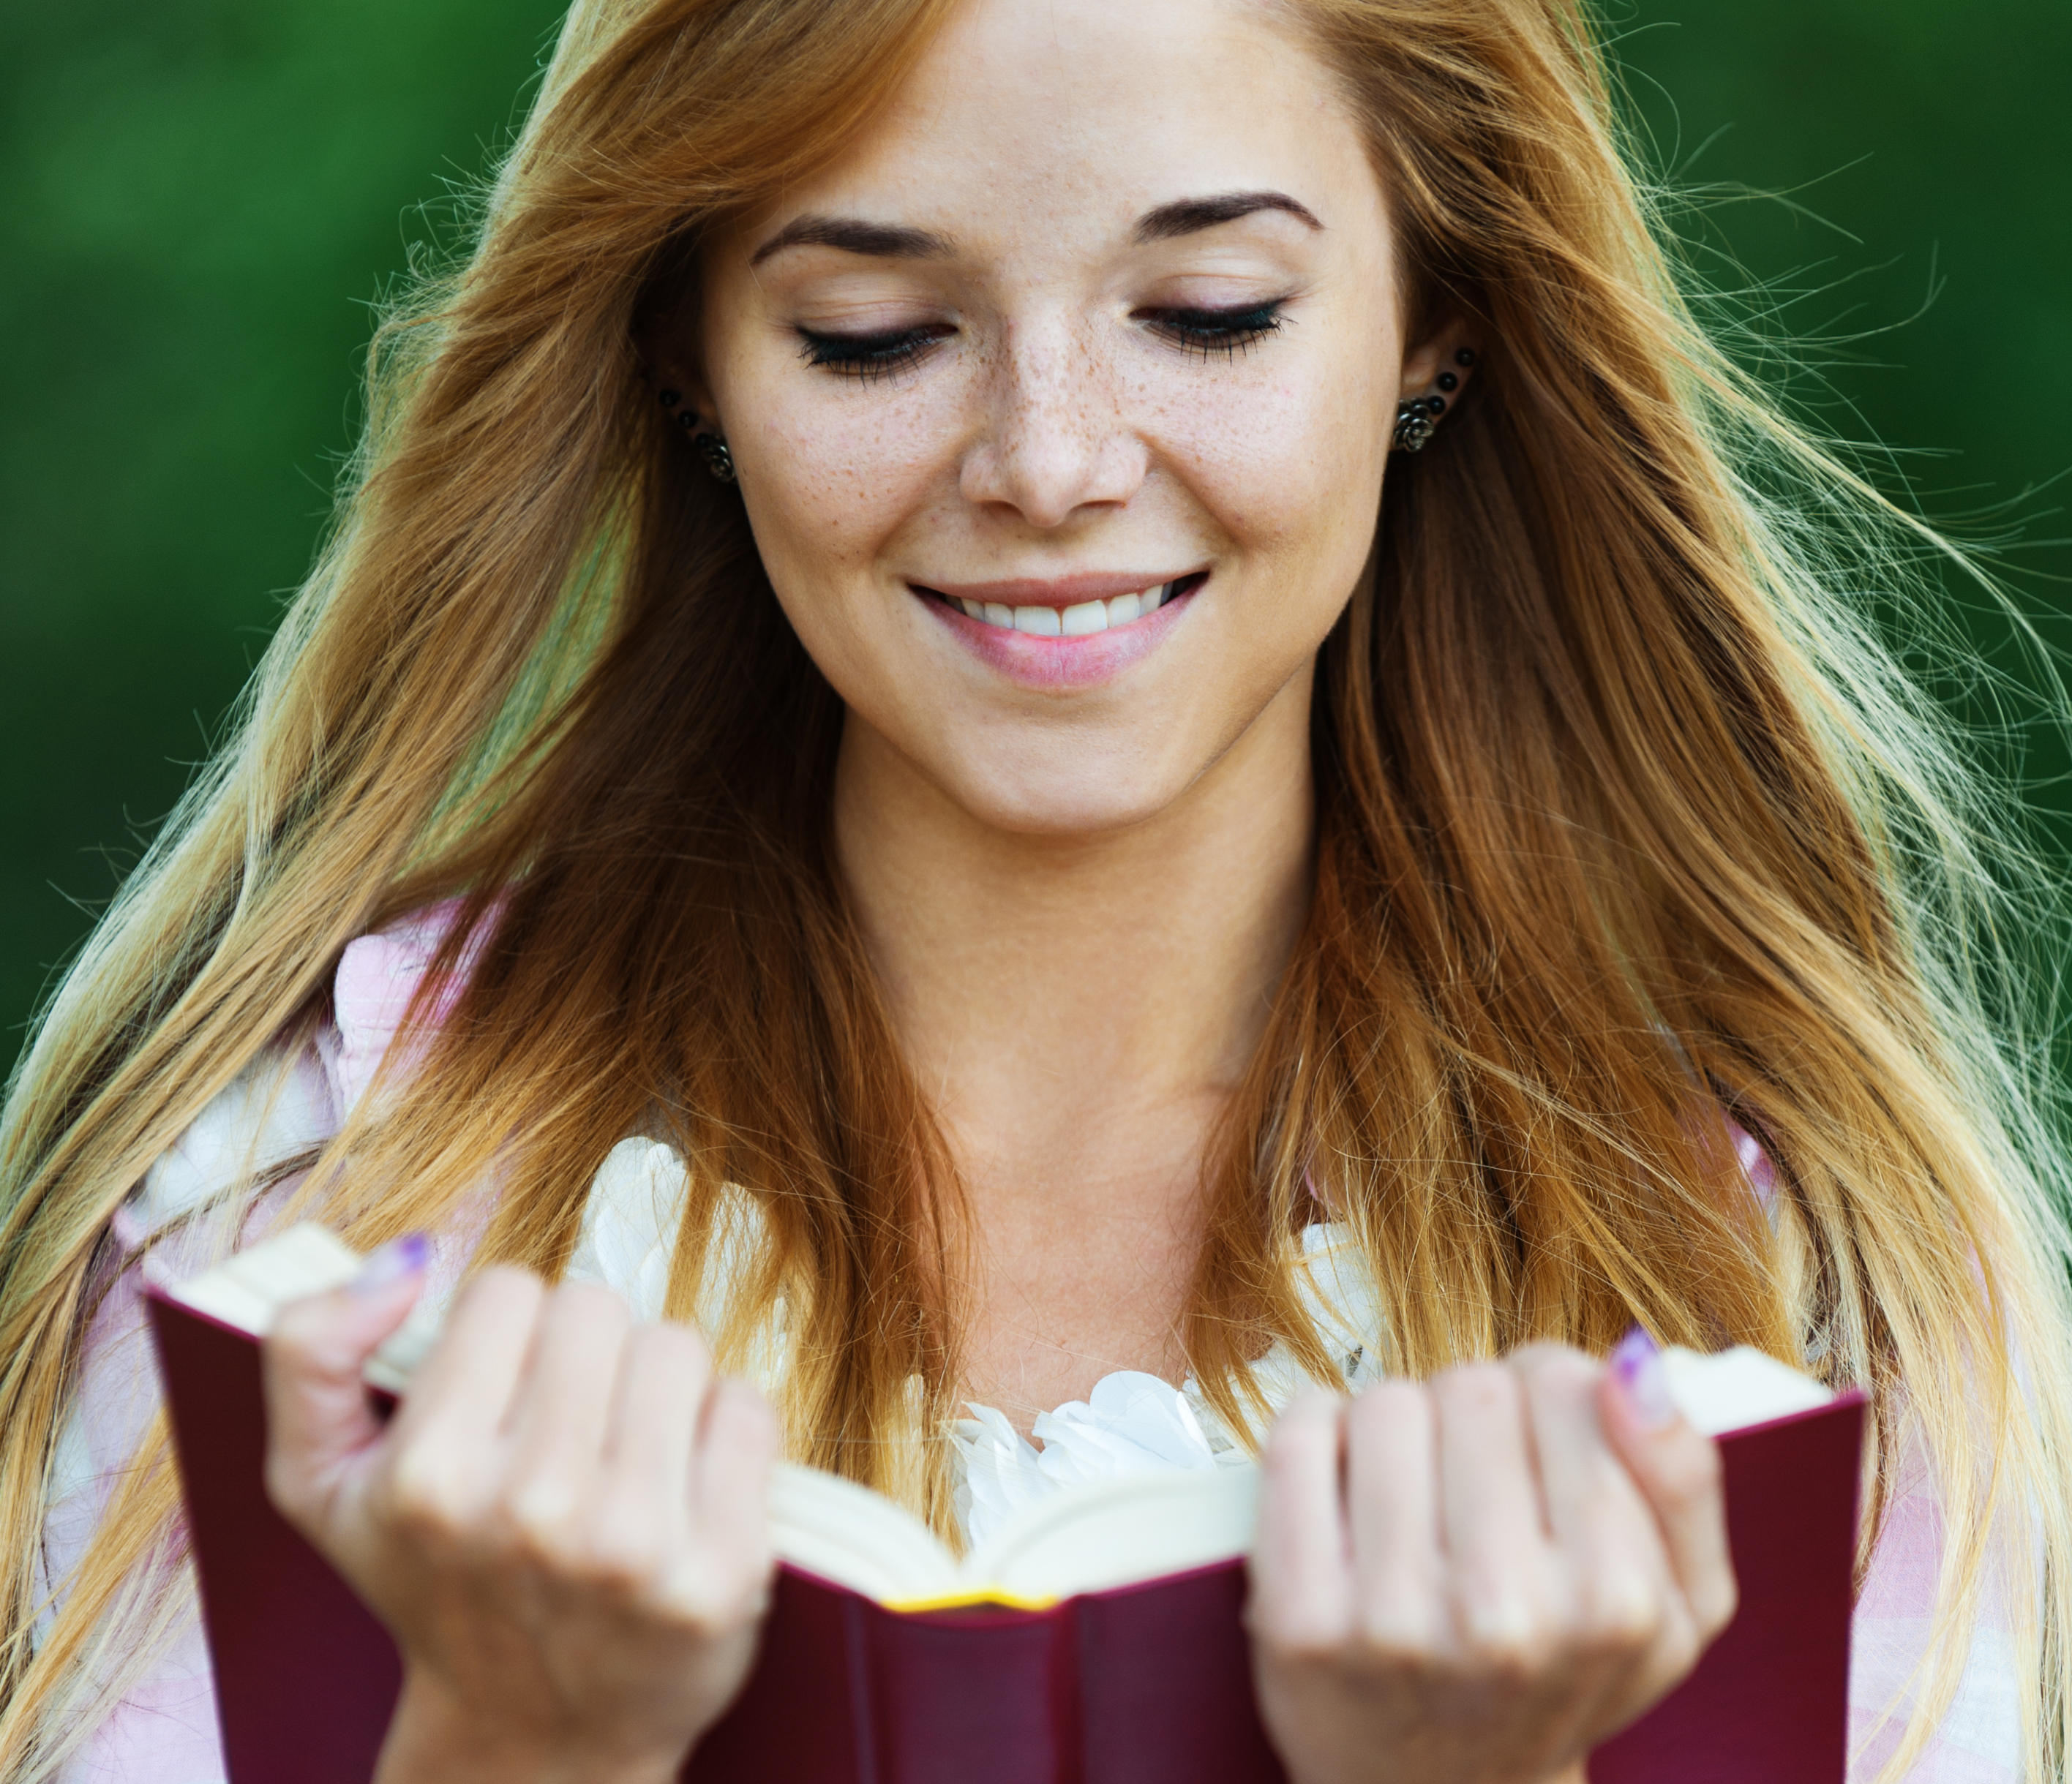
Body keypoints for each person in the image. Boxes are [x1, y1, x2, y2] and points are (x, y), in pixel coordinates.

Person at [1, 0, 2064, 1778]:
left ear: (1438, 317)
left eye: (1209, 313)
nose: (1053, 463)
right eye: (877, 334)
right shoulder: (292, 1207)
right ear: (690, 355)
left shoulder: (1802, 1290)